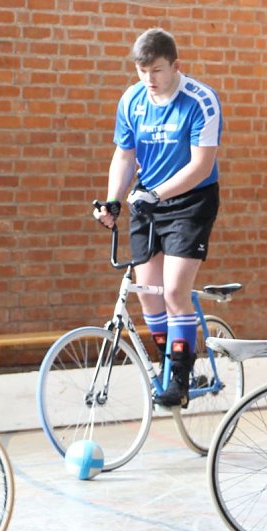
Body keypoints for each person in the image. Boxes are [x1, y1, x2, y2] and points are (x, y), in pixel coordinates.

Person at [93, 28, 222, 408]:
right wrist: (114, 200)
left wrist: (155, 194)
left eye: (157, 70)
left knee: (175, 292)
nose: (149, 79)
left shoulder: (200, 101)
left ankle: (179, 381)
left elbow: (201, 166)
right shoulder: (132, 99)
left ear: (176, 66)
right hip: (148, 202)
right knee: (149, 297)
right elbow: (125, 155)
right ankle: (169, 364)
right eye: (141, 70)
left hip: (190, 201)